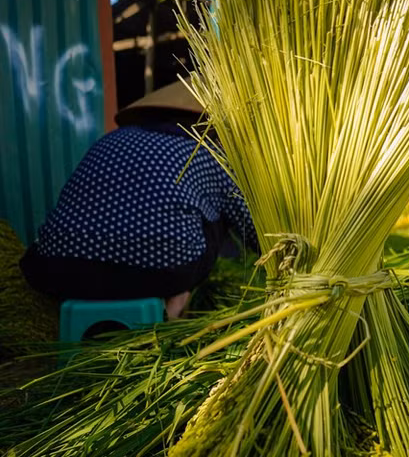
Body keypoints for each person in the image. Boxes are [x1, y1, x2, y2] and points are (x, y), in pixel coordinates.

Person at [20, 79, 258, 319]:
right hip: (152, 274)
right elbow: (252, 227)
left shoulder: (111, 140)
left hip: (58, 268)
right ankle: (172, 310)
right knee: (213, 219)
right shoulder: (206, 153)